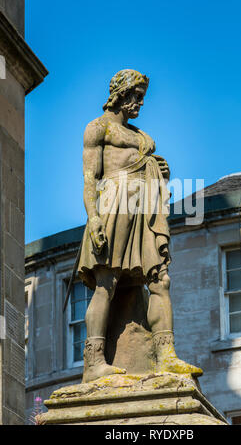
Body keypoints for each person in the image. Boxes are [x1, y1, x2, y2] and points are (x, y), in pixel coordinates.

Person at [78, 69, 202, 382]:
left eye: (143, 97)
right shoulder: (98, 128)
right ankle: (94, 363)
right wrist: (93, 218)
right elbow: (90, 180)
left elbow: (149, 168)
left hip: (145, 208)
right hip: (114, 206)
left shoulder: (142, 136)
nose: (140, 103)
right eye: (136, 95)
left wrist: (160, 169)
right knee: (106, 283)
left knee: (160, 279)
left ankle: (166, 355)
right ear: (120, 94)